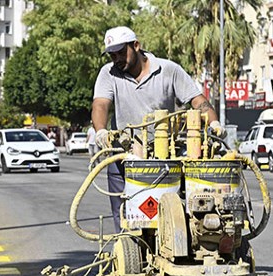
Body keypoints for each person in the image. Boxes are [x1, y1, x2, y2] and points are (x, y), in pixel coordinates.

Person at [92, 26, 225, 233]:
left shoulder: (168, 70)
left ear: (136, 46)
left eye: (120, 52)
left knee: (180, 206)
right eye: (112, 54)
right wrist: (101, 131)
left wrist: (214, 123)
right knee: (126, 215)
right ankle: (128, 248)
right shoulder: (108, 73)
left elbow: (198, 102)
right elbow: (100, 104)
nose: (116, 58)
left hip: (165, 156)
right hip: (124, 155)